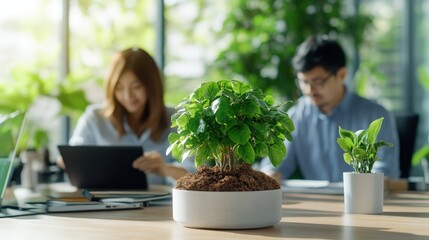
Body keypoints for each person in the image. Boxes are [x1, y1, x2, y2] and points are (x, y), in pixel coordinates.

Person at [260, 35, 400, 182]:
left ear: (342, 75)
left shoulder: (375, 116)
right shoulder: (296, 115)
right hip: (315, 203)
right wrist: (269, 175)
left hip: (362, 201)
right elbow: (275, 165)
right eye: (303, 81)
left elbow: (386, 172)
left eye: (318, 81)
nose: (309, 90)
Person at [63, 47, 195, 185]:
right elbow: (75, 163)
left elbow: (196, 176)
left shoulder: (178, 119)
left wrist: (165, 169)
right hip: (105, 203)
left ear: (152, 86)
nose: (128, 96)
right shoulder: (94, 119)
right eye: (119, 88)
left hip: (160, 204)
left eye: (136, 86)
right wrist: (67, 162)